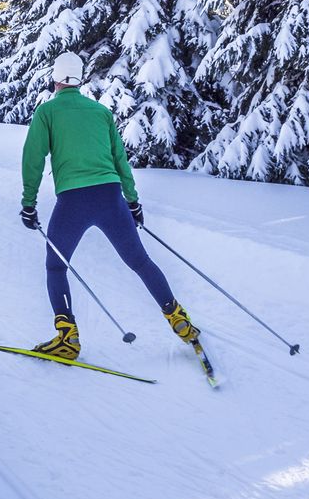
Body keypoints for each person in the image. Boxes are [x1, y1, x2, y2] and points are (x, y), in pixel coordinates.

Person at [19, 51, 201, 360]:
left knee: (55, 265)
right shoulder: (100, 112)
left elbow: (33, 159)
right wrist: (132, 202)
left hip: (73, 200)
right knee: (140, 261)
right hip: (110, 196)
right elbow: (120, 160)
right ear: (80, 77)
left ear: (56, 78)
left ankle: (67, 337)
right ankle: (179, 320)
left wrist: (28, 203)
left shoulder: (46, 112)